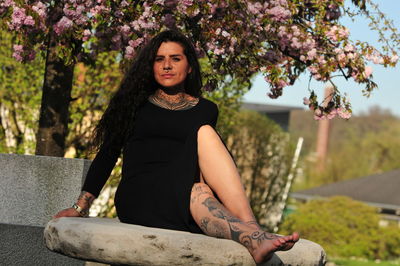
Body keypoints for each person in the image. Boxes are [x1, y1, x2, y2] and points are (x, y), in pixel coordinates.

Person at [53, 30, 299, 263]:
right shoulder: (132, 104)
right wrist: (80, 206)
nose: (166, 65)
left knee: (204, 140)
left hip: (185, 191)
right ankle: (254, 236)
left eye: (175, 58)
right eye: (159, 59)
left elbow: (205, 160)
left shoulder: (206, 109)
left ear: (189, 66)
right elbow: (107, 155)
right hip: (140, 194)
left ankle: (253, 232)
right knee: (197, 187)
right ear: (151, 66)